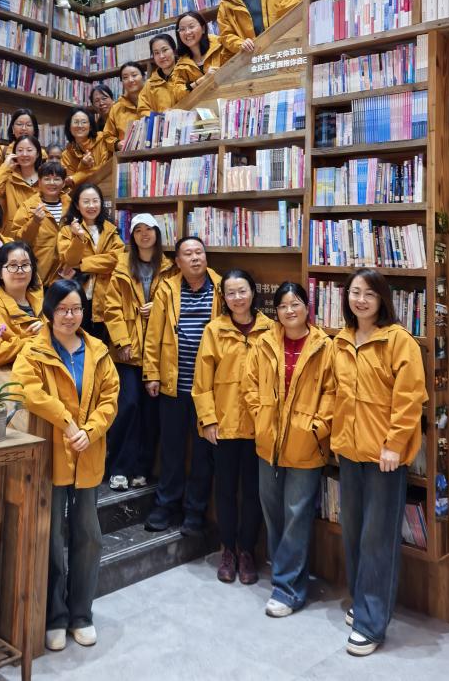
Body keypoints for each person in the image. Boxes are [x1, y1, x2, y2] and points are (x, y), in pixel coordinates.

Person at [12, 279, 119, 651]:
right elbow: (27, 390)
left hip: (88, 452)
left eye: (76, 309)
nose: (70, 316)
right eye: (62, 309)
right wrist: (67, 422)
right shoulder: (34, 349)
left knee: (88, 535)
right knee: (53, 537)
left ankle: (81, 614)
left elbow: (110, 399)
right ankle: (54, 615)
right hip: (53, 454)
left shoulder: (98, 351)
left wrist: (90, 430)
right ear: (49, 311)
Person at [331, 268, 426, 656]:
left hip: (384, 456)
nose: (361, 300)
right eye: (355, 292)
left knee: (378, 538)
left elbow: (410, 399)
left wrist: (394, 444)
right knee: (353, 531)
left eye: (369, 294)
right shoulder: (341, 339)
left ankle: (371, 623)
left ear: (382, 298)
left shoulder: (398, 340)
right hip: (349, 451)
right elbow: (335, 393)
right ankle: (363, 600)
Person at [242, 282, 334, 617]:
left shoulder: (325, 346)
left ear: (307, 307)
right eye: (282, 306)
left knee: (297, 515)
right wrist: (260, 417)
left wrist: (316, 428)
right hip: (269, 442)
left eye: (295, 304)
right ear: (276, 311)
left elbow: (333, 392)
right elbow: (249, 385)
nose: (289, 310)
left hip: (306, 444)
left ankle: (288, 588)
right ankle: (286, 575)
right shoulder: (264, 342)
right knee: (273, 512)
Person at [192, 269, 272, 585]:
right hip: (223, 425)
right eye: (231, 293)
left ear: (253, 292)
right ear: (223, 297)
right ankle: (227, 550)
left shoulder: (270, 329)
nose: (237, 298)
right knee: (224, 490)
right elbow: (202, 382)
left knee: (253, 491)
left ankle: (247, 550)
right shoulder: (214, 330)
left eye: (242, 291)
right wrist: (208, 420)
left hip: (258, 426)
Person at [143, 237, 222, 533]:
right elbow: (154, 334)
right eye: (188, 254)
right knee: (172, 450)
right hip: (173, 383)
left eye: (199, 252)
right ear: (177, 262)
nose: (195, 258)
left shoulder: (221, 288)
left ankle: (195, 512)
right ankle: (166, 505)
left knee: (203, 454)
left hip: (209, 389)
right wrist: (151, 373)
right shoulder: (167, 289)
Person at [104, 213, 177, 491]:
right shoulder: (122, 266)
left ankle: (141, 469)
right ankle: (119, 468)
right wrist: (122, 342)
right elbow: (111, 308)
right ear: (132, 236)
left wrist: (157, 307)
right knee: (128, 407)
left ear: (158, 234)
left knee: (150, 414)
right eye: (138, 230)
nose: (144, 234)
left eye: (149, 229)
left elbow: (175, 303)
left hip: (158, 352)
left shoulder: (169, 267)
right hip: (129, 352)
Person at [57, 183, 125, 341]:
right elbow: (69, 260)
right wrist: (79, 237)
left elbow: (116, 259)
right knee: (76, 341)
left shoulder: (110, 230)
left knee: (101, 343)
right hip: (78, 295)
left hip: (105, 296)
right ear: (77, 205)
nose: (91, 206)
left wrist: (83, 264)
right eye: (86, 201)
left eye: (95, 201)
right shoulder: (67, 231)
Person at [0, 241, 44, 367]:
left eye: (25, 264)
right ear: (0, 273)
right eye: (12, 265)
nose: (20, 270)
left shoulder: (40, 301)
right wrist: (32, 340)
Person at [11, 160, 72, 286]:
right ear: (39, 182)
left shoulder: (71, 205)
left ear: (63, 183)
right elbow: (18, 240)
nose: (52, 183)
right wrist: (35, 222)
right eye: (47, 179)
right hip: (38, 274)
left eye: (56, 179)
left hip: (66, 275)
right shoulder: (28, 206)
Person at [0, 134, 43, 233]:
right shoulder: (8, 176)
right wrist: (5, 166)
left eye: (29, 150)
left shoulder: (44, 178)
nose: (24, 154)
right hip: (12, 235)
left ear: (37, 154)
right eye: (20, 150)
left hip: (40, 233)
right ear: (14, 154)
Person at [173, 10, 229, 95]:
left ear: (203, 29)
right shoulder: (180, 65)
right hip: (204, 103)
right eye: (182, 29)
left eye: (191, 27)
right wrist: (201, 80)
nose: (187, 32)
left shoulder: (221, 45)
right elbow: (177, 93)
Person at [60, 108, 109, 189]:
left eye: (84, 122)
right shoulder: (66, 155)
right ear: (69, 127)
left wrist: (77, 177)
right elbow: (69, 185)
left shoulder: (102, 140)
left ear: (90, 127)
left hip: (106, 188)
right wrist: (83, 166)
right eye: (76, 122)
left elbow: (105, 169)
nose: (80, 126)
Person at [102, 62, 144, 152]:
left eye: (134, 75)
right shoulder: (116, 108)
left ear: (143, 77)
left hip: (156, 154)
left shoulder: (155, 99)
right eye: (125, 77)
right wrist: (117, 144)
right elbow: (107, 136)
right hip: (128, 156)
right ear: (122, 82)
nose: (130, 80)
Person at [136, 34, 182, 116]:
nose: (161, 56)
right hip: (162, 123)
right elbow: (142, 111)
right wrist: (160, 116)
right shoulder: (150, 85)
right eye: (156, 53)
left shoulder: (187, 71)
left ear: (174, 50)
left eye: (165, 50)